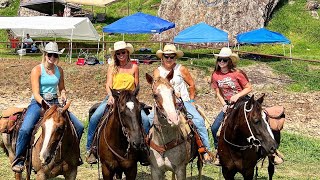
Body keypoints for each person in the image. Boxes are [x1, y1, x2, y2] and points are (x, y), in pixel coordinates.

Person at [11, 42, 84, 173]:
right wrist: (46, 104)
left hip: (55, 102)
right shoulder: (37, 70)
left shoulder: (59, 70)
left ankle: (74, 155)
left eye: (55, 55)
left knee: (78, 126)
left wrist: (63, 95)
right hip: (39, 103)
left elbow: (62, 88)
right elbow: (36, 93)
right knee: (25, 129)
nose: (52, 57)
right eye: (50, 54)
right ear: (45, 55)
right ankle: (20, 159)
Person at [146, 44, 213, 164]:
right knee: (147, 121)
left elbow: (191, 85)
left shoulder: (181, 69)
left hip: (182, 101)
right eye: (166, 56)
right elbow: (157, 84)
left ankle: (205, 150)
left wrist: (191, 101)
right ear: (162, 57)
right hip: (164, 103)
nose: (169, 59)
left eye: (172, 57)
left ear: (175, 58)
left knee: (198, 121)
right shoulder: (158, 71)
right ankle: (145, 149)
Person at [86, 41, 150, 165]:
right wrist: (110, 96)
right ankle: (91, 148)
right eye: (118, 53)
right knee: (95, 117)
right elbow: (108, 84)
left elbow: (136, 86)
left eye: (123, 52)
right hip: (114, 96)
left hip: (129, 98)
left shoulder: (134, 67)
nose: (121, 55)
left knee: (145, 121)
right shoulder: (112, 67)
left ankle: (144, 149)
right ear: (115, 55)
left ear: (127, 53)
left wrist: (134, 99)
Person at [210, 47, 252, 165]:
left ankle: (270, 151)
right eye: (220, 60)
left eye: (224, 60)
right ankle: (219, 151)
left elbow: (249, 87)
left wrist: (237, 96)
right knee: (214, 128)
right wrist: (224, 104)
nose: (222, 62)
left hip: (243, 102)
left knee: (256, 123)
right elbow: (218, 92)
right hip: (228, 104)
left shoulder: (237, 73)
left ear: (230, 61)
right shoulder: (215, 75)